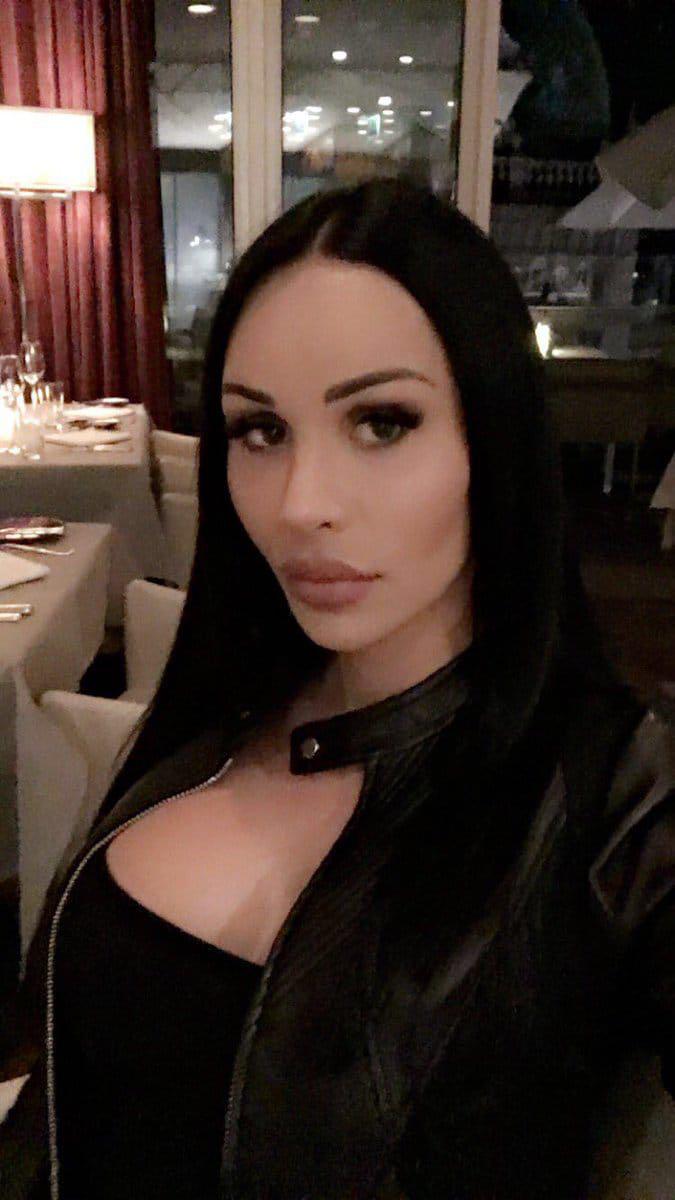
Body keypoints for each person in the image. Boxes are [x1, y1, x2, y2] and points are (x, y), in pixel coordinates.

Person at [1, 177, 673, 1200]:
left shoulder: (618, 804)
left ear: (492, 438)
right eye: (260, 431)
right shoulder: (228, 706)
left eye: (382, 422)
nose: (301, 505)